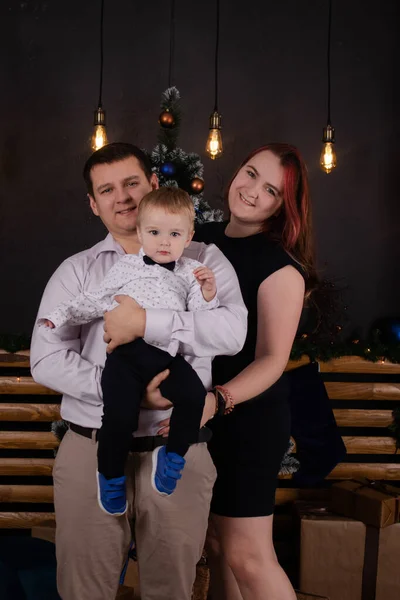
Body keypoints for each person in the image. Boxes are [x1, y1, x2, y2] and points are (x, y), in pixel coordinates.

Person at [30, 142, 247, 600]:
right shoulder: (79, 270)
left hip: (177, 444)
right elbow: (45, 357)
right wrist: (125, 392)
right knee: (84, 590)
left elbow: (230, 333)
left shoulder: (203, 261)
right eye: (106, 189)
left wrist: (146, 323)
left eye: (131, 182)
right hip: (90, 444)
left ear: (152, 184)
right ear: (94, 204)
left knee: (171, 589)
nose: (122, 196)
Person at [103, 143, 315, 600]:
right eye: (251, 174)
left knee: (248, 555)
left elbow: (272, 360)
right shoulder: (198, 239)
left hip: (245, 417)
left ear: (284, 206)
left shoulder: (282, 268)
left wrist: (214, 402)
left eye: (272, 190)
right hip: (192, 410)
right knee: (215, 547)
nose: (253, 191)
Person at [39, 187, 219, 513]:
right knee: (119, 416)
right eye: (154, 232)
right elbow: (96, 300)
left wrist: (207, 293)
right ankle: (109, 475)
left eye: (174, 234)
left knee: (193, 396)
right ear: (140, 232)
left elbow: (202, 324)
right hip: (125, 357)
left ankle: (174, 455)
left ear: (188, 236)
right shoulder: (125, 268)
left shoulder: (190, 273)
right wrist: (59, 316)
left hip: (165, 357)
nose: (164, 242)